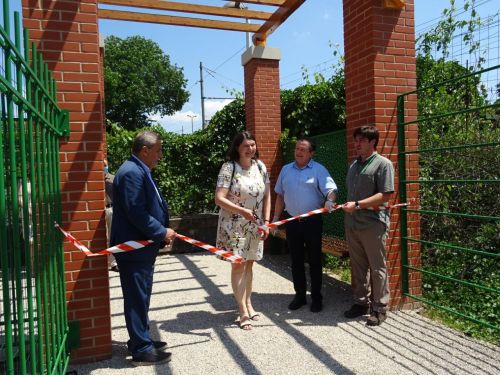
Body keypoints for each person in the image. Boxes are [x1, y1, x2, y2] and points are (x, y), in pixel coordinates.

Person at [111, 131, 176, 365]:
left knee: (141, 295)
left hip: (141, 247)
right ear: (145, 150)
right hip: (134, 248)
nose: (160, 155)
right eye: (158, 150)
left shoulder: (138, 169)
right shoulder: (131, 172)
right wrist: (161, 231)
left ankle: (141, 338)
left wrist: (161, 233)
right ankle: (141, 348)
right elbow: (136, 212)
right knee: (137, 297)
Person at [273, 138, 337, 313]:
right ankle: (300, 296)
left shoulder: (319, 170)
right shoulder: (286, 170)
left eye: (303, 149)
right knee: (296, 261)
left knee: (315, 261)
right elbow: (279, 196)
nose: (298, 152)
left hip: (312, 223)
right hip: (292, 221)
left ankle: (316, 298)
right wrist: (275, 219)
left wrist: (330, 201)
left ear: (311, 153)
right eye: (297, 149)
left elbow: (331, 190)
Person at [214, 131, 271, 331]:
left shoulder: (261, 166)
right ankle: (241, 310)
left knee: (250, 266)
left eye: (253, 145)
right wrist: (242, 211)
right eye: (246, 145)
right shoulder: (229, 167)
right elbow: (219, 198)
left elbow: (267, 195)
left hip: (255, 224)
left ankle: (248, 302)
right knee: (238, 266)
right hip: (234, 224)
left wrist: (266, 221)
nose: (250, 149)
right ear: (237, 147)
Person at [342, 125, 394, 326]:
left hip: (373, 224)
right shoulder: (353, 165)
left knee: (377, 267)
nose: (357, 144)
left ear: (373, 142)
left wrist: (357, 205)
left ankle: (380, 308)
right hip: (353, 223)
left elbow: (385, 195)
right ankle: (360, 302)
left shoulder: (383, 164)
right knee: (358, 266)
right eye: (356, 140)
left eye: (361, 140)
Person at [103, 158, 118, 272]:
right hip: (99, 211)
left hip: (110, 209)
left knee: (111, 236)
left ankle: (113, 263)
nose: (104, 166)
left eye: (105, 164)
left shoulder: (112, 178)